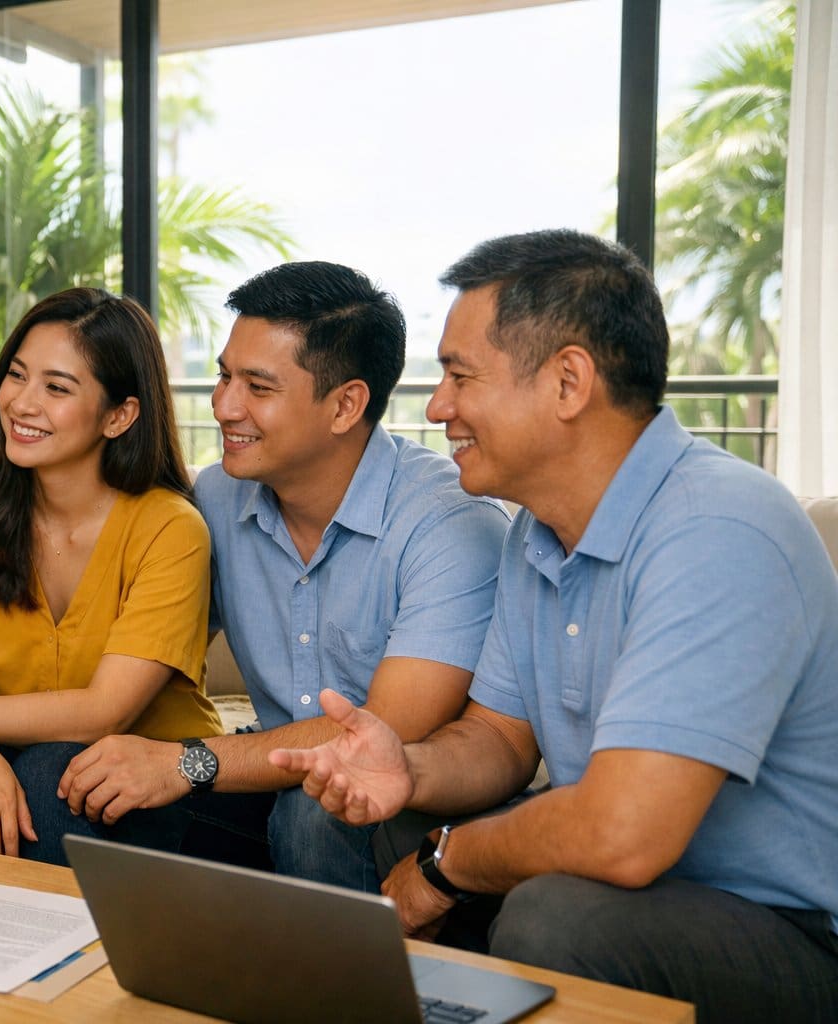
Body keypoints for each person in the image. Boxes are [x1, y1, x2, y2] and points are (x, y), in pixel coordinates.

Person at [271, 229, 838, 1022]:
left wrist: (449, 862)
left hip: (794, 931)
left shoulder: (719, 526)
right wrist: (409, 771)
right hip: (631, 890)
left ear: (569, 381)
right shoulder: (534, 537)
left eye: (460, 377)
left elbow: (623, 834)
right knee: (363, 819)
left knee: (555, 914)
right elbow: (501, 740)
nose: (437, 409)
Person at [57, 261, 510, 888]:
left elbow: (384, 729)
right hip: (268, 775)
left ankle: (338, 983)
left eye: (258, 388)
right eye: (222, 375)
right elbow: (123, 642)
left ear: (346, 405)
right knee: (80, 778)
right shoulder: (214, 498)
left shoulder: (449, 526)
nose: (222, 406)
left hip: (406, 797)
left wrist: (186, 762)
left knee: (311, 807)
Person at [0, 287, 220, 866]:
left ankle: (62, 956)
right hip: (20, 751)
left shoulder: (170, 528)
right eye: (16, 375)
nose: (22, 403)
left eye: (56, 388)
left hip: (151, 778)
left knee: (56, 776)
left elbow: (105, 712)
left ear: (120, 415)